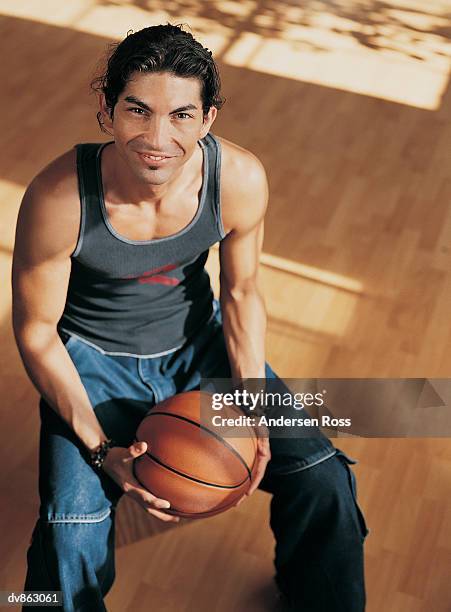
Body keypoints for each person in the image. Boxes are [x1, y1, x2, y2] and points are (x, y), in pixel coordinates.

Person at [12, 23, 368, 611]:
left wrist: (252, 405)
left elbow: (242, 292)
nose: (157, 137)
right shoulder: (59, 198)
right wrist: (102, 449)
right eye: (137, 110)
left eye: (181, 115)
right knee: (68, 529)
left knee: (322, 475)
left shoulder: (239, 180)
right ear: (106, 111)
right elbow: (36, 332)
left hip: (197, 347)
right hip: (91, 361)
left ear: (208, 119)